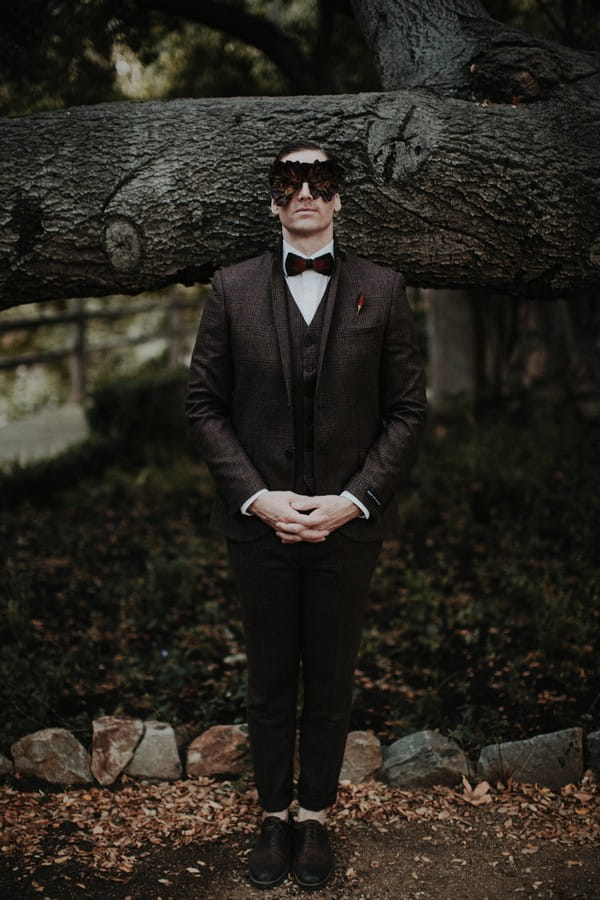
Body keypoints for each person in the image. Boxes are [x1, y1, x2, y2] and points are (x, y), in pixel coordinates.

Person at [185, 141, 427, 890]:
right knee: (267, 675)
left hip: (347, 527)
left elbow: (408, 410)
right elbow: (203, 405)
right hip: (256, 525)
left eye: (320, 182)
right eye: (290, 183)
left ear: (340, 199)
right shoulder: (231, 288)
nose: (305, 194)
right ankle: (270, 816)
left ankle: (314, 819)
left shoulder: (383, 290)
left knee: (329, 674)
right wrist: (257, 497)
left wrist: (353, 502)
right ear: (272, 199)